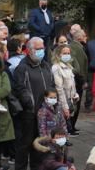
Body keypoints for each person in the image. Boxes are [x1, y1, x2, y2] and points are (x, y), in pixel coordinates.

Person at [13, 37, 55, 170]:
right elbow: (20, 88)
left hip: (45, 113)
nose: (41, 51)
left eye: (42, 48)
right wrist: (30, 104)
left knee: (40, 144)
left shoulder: (46, 65)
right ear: (29, 50)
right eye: (38, 49)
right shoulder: (23, 67)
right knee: (25, 145)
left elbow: (52, 85)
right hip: (29, 114)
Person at [51, 45, 79, 135]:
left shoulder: (69, 67)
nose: (67, 55)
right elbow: (59, 88)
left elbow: (71, 84)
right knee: (61, 123)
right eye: (64, 53)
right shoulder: (56, 67)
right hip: (62, 101)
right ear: (59, 55)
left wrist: (75, 94)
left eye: (68, 53)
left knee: (65, 123)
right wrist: (65, 106)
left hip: (70, 99)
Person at [68, 29, 88, 133]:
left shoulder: (75, 46)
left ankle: (72, 126)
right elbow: (80, 66)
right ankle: (71, 127)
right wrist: (84, 81)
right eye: (84, 35)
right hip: (77, 80)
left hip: (75, 79)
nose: (86, 37)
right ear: (79, 38)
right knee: (76, 103)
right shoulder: (77, 48)